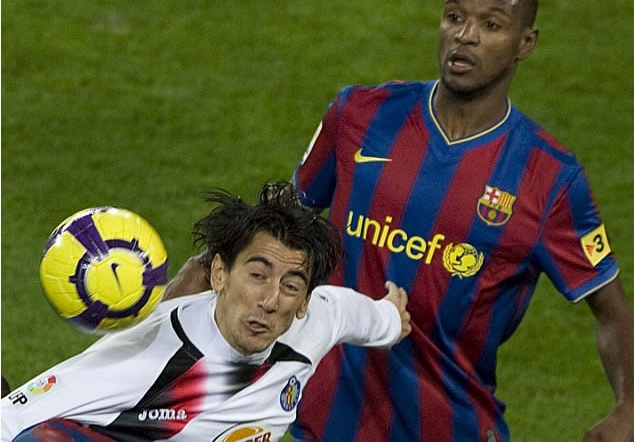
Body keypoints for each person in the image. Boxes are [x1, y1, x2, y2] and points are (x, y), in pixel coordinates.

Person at [288, 0, 634, 442]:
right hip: (320, 418)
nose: (466, 36)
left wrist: (629, 407)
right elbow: (283, 224)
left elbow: (612, 309)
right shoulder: (360, 114)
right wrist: (212, 271)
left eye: (490, 25)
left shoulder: (549, 178)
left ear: (526, 44)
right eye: (455, 17)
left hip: (449, 425)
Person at [1, 181, 412, 441]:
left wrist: (392, 318)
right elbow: (12, 417)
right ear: (219, 273)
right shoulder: (145, 358)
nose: (270, 300)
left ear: (304, 300)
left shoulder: (317, 318)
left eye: (290, 285)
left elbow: (370, 317)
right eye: (257, 275)